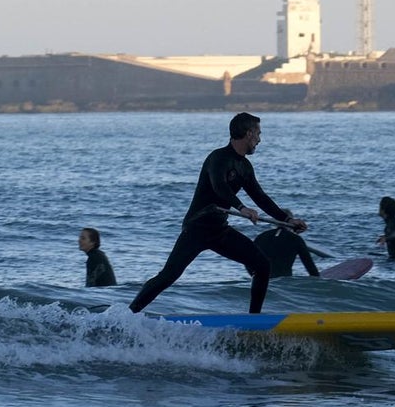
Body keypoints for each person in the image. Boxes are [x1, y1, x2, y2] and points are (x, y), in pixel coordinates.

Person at [129, 112, 308, 314]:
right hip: (196, 228)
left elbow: (260, 197)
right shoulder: (218, 158)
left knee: (262, 265)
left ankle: (253, 321)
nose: (260, 139)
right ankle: (127, 315)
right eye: (258, 133)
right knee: (169, 276)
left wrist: (287, 220)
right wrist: (242, 208)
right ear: (248, 133)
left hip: (219, 231)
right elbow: (219, 186)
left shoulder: (244, 166)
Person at [254, 225, 319, 278]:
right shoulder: (295, 239)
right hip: (285, 281)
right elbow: (309, 265)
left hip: (262, 279)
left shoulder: (261, 237)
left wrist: (255, 276)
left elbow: (248, 259)